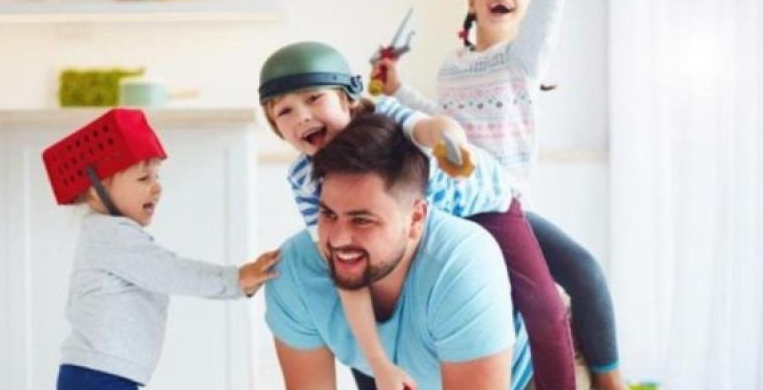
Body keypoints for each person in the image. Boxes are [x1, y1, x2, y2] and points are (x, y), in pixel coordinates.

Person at [258, 41, 575, 389]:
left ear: (349, 97)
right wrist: (379, 364)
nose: (301, 115)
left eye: (313, 98)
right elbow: (345, 272)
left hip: (483, 204)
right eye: (284, 112)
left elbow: (431, 127)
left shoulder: (384, 116)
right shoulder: (305, 181)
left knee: (545, 301)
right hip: (412, 231)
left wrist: (450, 144)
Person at [370, 0, 628, 388]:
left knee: (582, 273)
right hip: (457, 208)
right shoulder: (452, 66)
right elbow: (444, 120)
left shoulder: (522, 59)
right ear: (471, 3)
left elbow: (551, 5)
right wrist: (397, 89)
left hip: (503, 207)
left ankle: (610, 382)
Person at [265, 113, 533, 390]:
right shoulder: (295, 272)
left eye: (362, 220)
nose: (338, 239)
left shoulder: (461, 263)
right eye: (328, 214)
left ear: (416, 219)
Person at [41, 108, 280, 390]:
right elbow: (171, 272)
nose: (157, 188)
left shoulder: (110, 234)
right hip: (98, 376)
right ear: (96, 189)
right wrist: (235, 279)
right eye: (144, 179)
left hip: (99, 374)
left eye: (157, 177)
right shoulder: (112, 236)